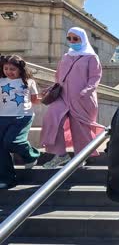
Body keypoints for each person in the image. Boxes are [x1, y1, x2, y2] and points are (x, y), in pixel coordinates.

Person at [41, 27, 104, 169]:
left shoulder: (92, 57)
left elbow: (95, 77)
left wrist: (88, 89)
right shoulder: (66, 56)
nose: (71, 41)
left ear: (83, 39)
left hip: (82, 98)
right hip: (62, 96)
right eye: (69, 38)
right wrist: (52, 87)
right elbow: (59, 76)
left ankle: (80, 156)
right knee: (52, 119)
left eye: (75, 38)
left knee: (80, 128)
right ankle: (60, 155)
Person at [0, 55, 41, 189]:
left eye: (12, 69)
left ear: (20, 70)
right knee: (1, 148)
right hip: (2, 117)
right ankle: (8, 179)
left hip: (22, 117)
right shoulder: (1, 81)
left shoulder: (29, 82)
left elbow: (35, 100)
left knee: (12, 142)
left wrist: (49, 97)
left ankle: (31, 155)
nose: (8, 71)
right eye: (6, 68)